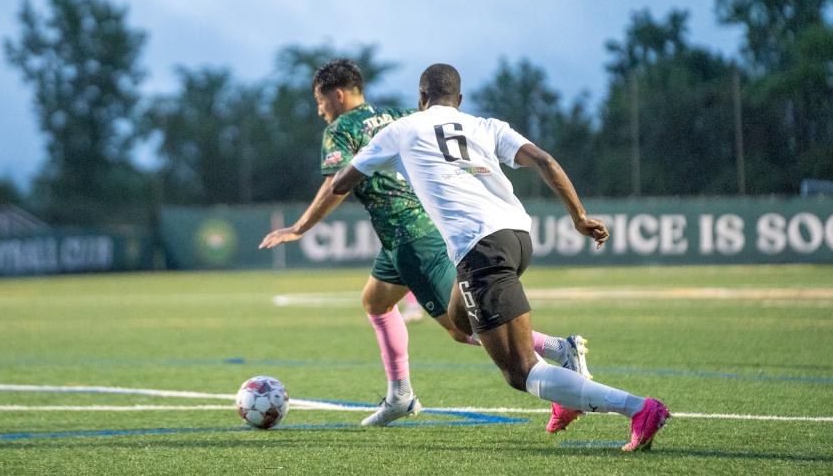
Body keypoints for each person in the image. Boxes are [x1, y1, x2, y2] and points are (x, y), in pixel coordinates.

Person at [332, 63, 670, 451]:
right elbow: (545, 161)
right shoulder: (485, 125)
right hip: (517, 237)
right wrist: (578, 216)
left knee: (520, 371)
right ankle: (567, 388)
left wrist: (358, 174)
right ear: (459, 100)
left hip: (481, 249)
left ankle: (639, 409)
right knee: (459, 319)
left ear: (420, 98)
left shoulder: (403, 129)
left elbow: (342, 181)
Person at [259, 59, 592, 427]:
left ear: (337, 96)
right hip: (402, 236)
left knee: (460, 327)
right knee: (375, 301)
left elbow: (336, 184)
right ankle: (400, 395)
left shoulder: (341, 129)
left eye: (320, 101)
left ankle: (559, 350)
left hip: (410, 236)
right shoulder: (396, 116)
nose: (319, 109)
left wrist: (300, 227)